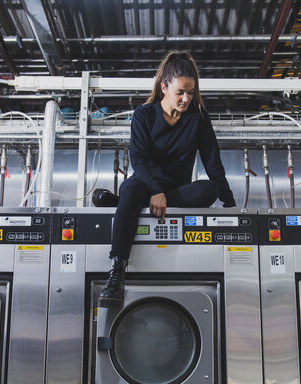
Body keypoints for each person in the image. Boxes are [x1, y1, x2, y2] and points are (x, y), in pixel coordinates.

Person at [92, 51, 236, 308]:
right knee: (132, 189)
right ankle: (117, 270)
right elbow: (138, 158)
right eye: (180, 92)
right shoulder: (144, 114)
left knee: (208, 189)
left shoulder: (198, 117)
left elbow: (212, 161)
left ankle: (120, 202)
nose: (186, 98)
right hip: (145, 183)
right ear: (164, 87)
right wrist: (155, 189)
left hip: (178, 190)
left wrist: (231, 206)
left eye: (191, 92)